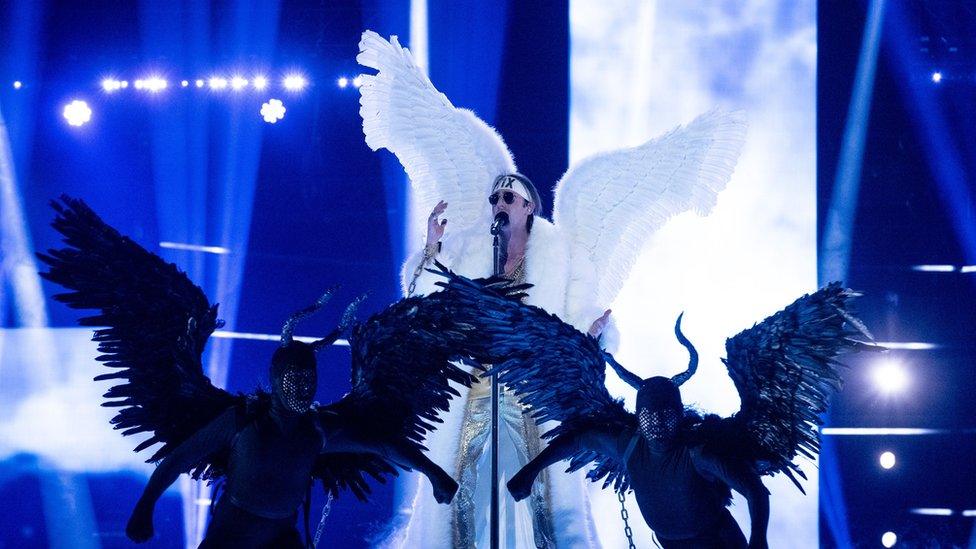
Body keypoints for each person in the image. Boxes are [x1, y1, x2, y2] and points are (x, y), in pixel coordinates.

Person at [357, 30, 746, 548]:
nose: (499, 200)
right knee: (466, 496)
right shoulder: (468, 249)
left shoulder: (559, 254)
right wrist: (431, 249)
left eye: (509, 196)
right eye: (496, 194)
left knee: (534, 497)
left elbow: (585, 316)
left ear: (529, 208)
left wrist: (596, 335)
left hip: (531, 401)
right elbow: (421, 301)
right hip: (472, 396)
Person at [38, 196, 493, 548]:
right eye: (294, 379)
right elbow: (178, 458)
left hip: (281, 539)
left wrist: (434, 473)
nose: (303, 386)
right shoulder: (242, 422)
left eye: (309, 380)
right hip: (231, 538)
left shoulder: (319, 430)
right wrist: (143, 510)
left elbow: (385, 443)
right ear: (276, 381)